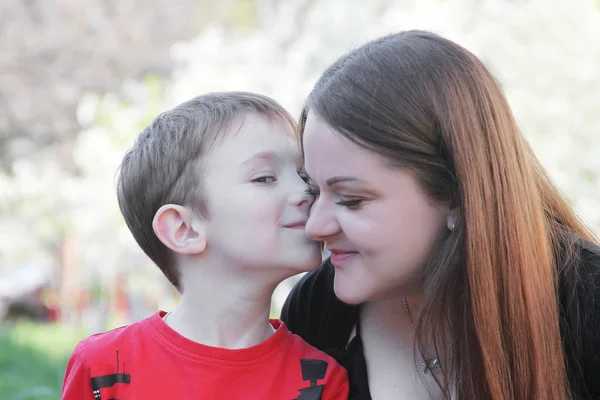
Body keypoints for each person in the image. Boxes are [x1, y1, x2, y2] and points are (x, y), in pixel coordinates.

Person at [281, 30, 600, 400]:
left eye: (351, 199)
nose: (315, 226)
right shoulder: (317, 309)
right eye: (314, 190)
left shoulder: (587, 304)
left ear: (456, 194)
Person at [62, 92, 349, 399]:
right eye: (265, 178)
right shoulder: (104, 367)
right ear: (183, 229)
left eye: (303, 175)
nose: (307, 191)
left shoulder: (321, 380)